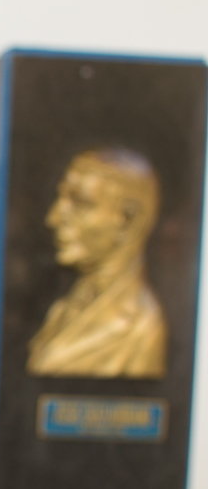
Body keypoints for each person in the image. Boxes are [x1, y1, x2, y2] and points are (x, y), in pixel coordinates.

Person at [27, 148, 167, 378]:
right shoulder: (66, 305)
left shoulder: (142, 328)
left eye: (80, 203)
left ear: (127, 220)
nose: (53, 218)